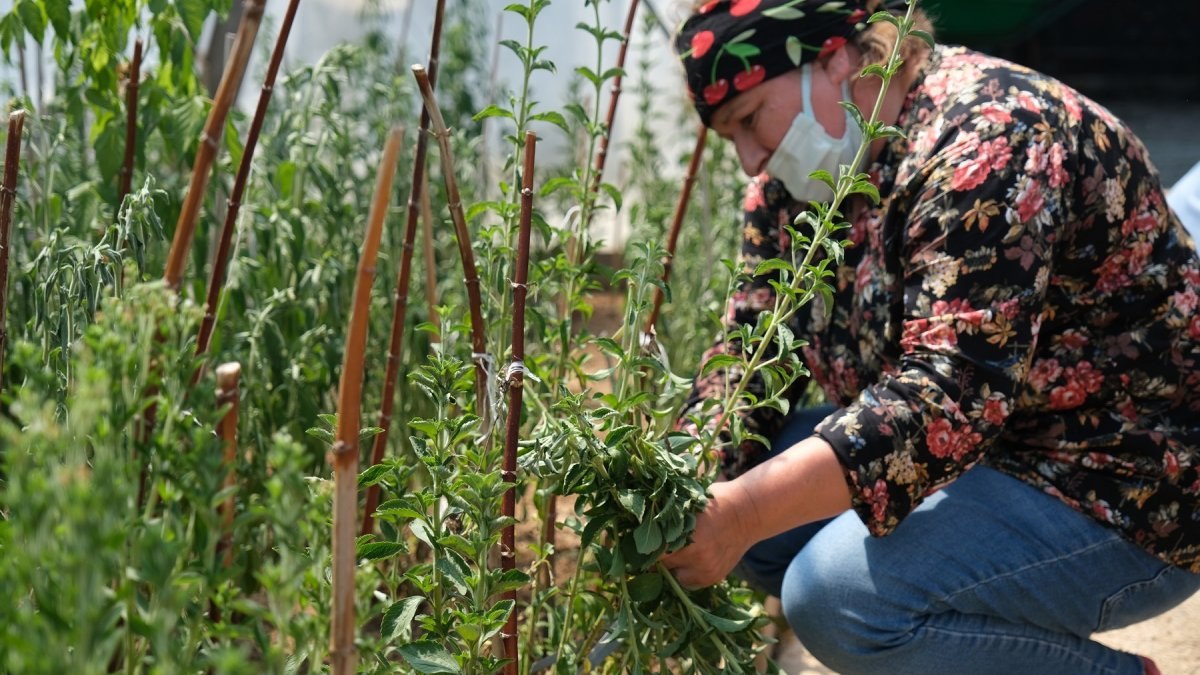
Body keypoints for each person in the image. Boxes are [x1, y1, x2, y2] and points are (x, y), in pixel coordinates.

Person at [659, 1, 1200, 673]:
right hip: (996, 446)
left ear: (834, 58)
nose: (749, 161)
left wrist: (739, 513)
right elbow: (756, 345)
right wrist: (677, 483)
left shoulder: (990, 139)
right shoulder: (798, 181)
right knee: (762, 512)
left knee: (835, 597)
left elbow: (947, 397)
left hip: (1122, 478)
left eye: (748, 120)